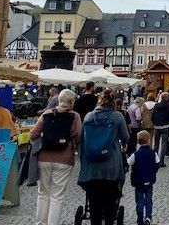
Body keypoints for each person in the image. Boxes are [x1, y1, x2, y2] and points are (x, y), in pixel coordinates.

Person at [78, 89, 130, 225]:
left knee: (94, 203)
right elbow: (125, 137)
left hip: (91, 166)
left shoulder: (89, 117)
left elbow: (81, 139)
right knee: (110, 202)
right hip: (111, 166)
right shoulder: (117, 116)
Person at [30, 89, 81, 225]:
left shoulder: (47, 114)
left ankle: (40, 223)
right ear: (71, 101)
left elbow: (33, 134)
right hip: (64, 160)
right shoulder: (75, 116)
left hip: (44, 158)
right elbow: (78, 136)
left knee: (43, 193)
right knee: (57, 195)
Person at [128, 130, 159, 225]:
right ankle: (148, 217)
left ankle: (140, 220)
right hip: (150, 181)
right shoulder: (153, 153)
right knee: (149, 200)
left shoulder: (135, 154)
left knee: (139, 201)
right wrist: (153, 171)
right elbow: (157, 164)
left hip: (138, 182)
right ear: (149, 140)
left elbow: (128, 162)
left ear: (138, 142)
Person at [151, 92, 169, 167]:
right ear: (167, 98)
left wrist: (155, 122)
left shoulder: (156, 105)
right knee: (164, 144)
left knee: (156, 144)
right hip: (165, 126)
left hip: (157, 126)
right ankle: (161, 161)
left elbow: (152, 116)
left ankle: (154, 160)